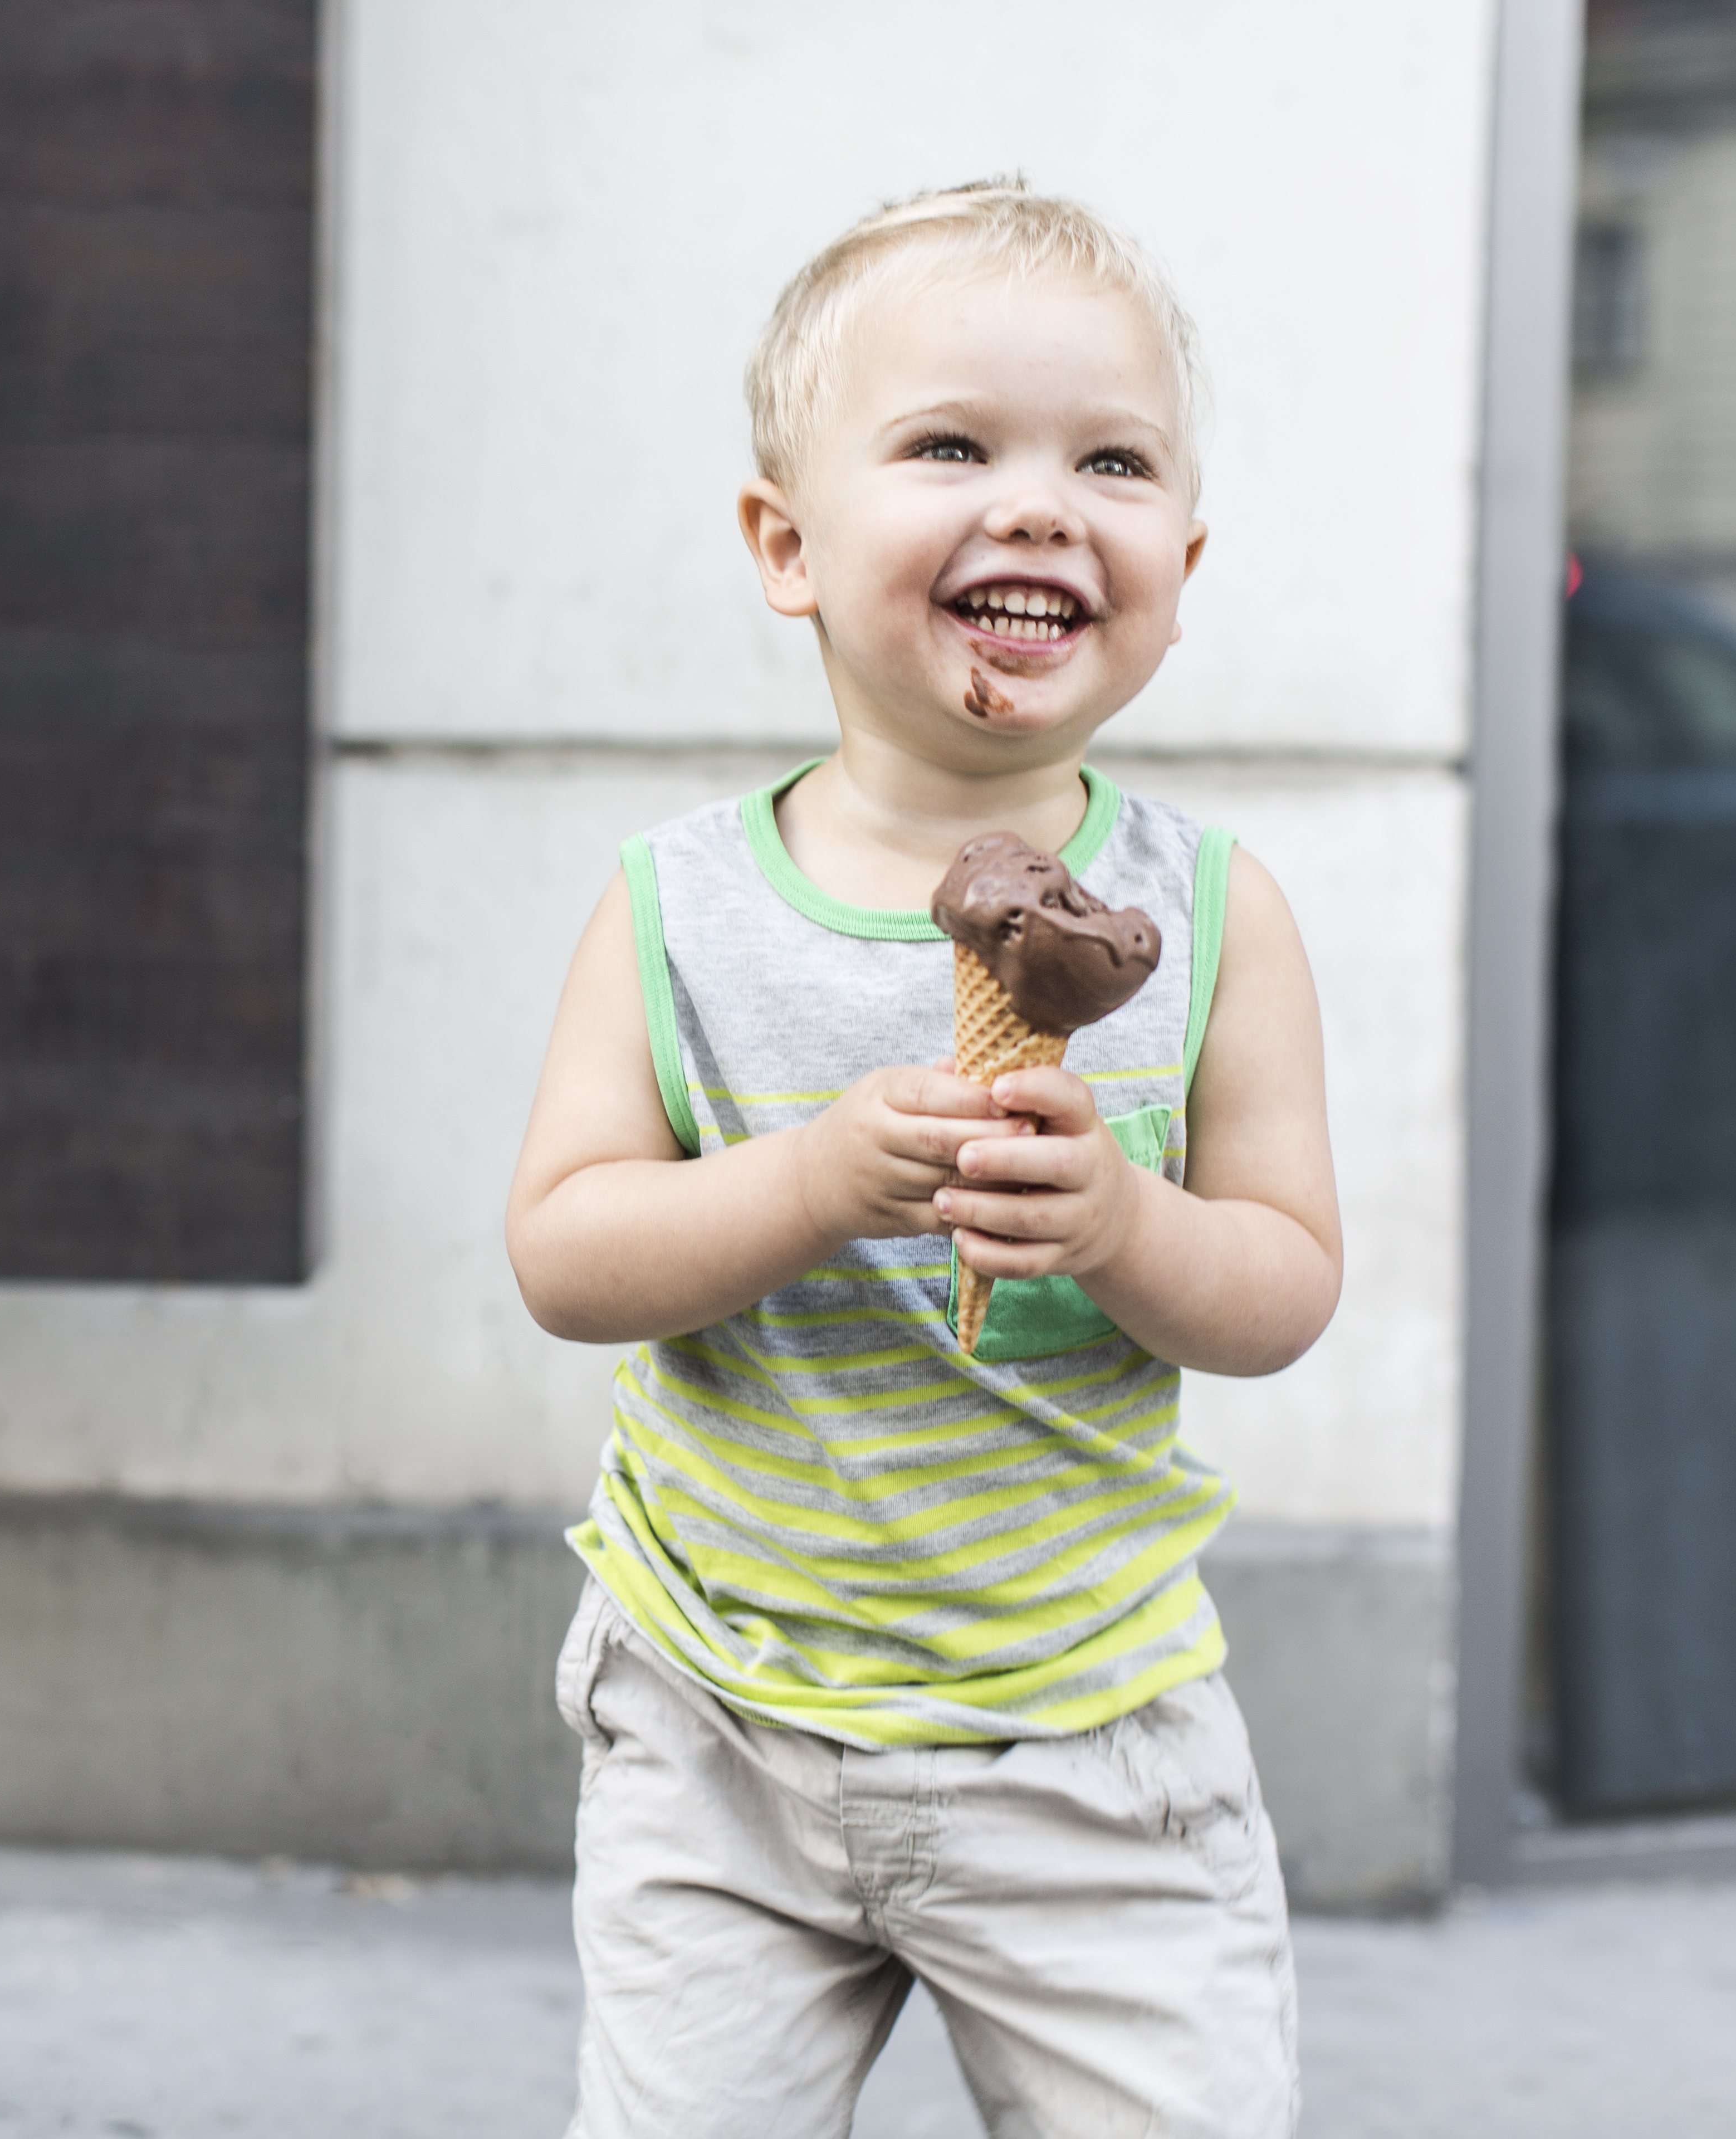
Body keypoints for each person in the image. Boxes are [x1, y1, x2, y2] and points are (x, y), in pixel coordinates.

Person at [503, 180, 1341, 2138]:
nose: (1041, 503)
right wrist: (804, 1182)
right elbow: (563, 1250)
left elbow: (1287, 1282)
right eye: (954, 445)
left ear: (1183, 562)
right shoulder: (676, 909)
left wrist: (1128, 1224)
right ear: (788, 547)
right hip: (724, 1719)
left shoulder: (1218, 917)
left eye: (1110, 462)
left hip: (1089, 1744)